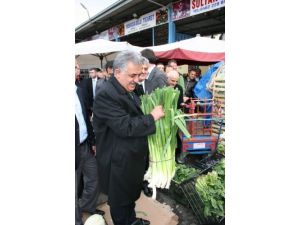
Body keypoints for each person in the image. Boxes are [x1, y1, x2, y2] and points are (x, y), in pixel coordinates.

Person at [93, 50, 165, 225]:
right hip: (117, 161)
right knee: (119, 201)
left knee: (128, 198)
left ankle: (131, 220)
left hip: (128, 158)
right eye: (132, 75)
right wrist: (152, 117)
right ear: (117, 72)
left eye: (139, 74)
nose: (137, 79)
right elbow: (125, 126)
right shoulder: (106, 93)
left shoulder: (126, 88)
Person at [75, 61, 99, 225]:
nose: (78, 69)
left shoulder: (79, 89)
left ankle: (87, 208)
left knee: (93, 179)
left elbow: (85, 119)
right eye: (75, 66)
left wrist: (92, 141)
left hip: (85, 145)